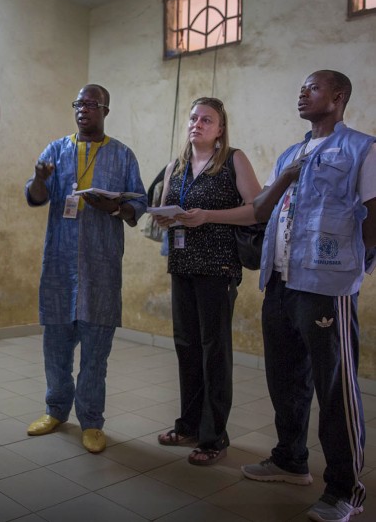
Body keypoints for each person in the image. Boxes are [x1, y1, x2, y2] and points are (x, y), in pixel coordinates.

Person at [241, 71, 375, 522]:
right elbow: (265, 209)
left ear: (338, 97)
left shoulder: (362, 148)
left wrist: (357, 266)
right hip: (280, 281)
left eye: (313, 87)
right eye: (301, 86)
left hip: (325, 287)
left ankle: (344, 490)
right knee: (284, 378)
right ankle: (289, 459)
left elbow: (375, 216)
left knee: (335, 388)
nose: (303, 92)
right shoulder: (290, 153)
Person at [25, 84, 147, 453]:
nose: (83, 109)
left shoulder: (123, 155)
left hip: (101, 268)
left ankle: (92, 421)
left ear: (106, 110)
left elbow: (138, 205)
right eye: (79, 103)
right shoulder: (55, 151)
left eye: (91, 104)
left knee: (96, 352)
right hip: (59, 267)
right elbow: (34, 197)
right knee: (55, 347)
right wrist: (41, 180)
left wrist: (116, 209)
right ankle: (55, 410)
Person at [153, 97, 261, 465]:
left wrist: (208, 216)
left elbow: (257, 210)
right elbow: (170, 206)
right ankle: (188, 425)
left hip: (218, 268)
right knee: (186, 346)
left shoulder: (233, 160)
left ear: (220, 128)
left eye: (207, 120)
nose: (197, 124)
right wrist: (168, 218)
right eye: (193, 118)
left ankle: (214, 437)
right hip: (182, 265)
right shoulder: (177, 166)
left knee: (214, 351)